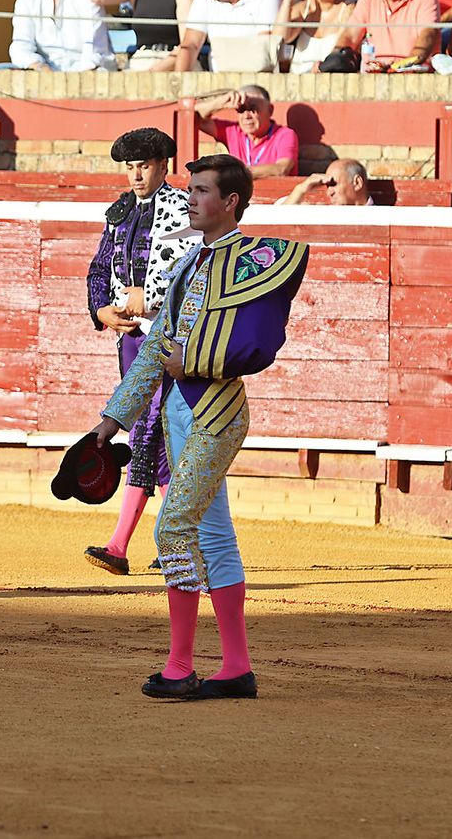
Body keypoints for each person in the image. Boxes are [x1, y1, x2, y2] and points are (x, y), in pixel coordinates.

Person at [92, 154, 309, 700]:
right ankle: (236, 667)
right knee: (213, 536)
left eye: (202, 190)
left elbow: (253, 344)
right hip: (179, 413)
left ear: (231, 201)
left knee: (172, 530)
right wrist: (111, 419)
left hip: (216, 411)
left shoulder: (253, 259)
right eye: (191, 188)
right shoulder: (189, 262)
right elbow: (155, 349)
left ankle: (180, 664)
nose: (189, 198)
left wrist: (188, 363)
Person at [82, 128, 198, 576]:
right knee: (159, 434)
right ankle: (180, 546)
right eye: (129, 167)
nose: (135, 174)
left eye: (144, 165)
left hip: (166, 337)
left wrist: (145, 299)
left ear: (163, 164)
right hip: (129, 336)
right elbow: (98, 267)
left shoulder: (180, 208)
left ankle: (119, 543)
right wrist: (101, 309)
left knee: (148, 428)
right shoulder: (119, 212)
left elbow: (186, 270)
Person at [194, 86, 300, 176]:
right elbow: (193, 117)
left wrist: (234, 173)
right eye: (241, 109)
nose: (246, 116)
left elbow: (281, 169)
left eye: (253, 109)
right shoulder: (234, 131)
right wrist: (221, 103)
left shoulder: (284, 134)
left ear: (270, 110)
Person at [282, 0, 356, 70]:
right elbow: (281, 38)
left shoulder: (347, 9)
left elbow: (345, 46)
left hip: (332, 75)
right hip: (298, 78)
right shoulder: (302, 10)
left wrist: (324, 67)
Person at [279, 157, 376, 204]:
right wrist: (300, 190)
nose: (329, 193)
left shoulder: (380, 218)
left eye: (334, 184)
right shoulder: (325, 214)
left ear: (357, 183)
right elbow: (277, 222)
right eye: (327, 186)